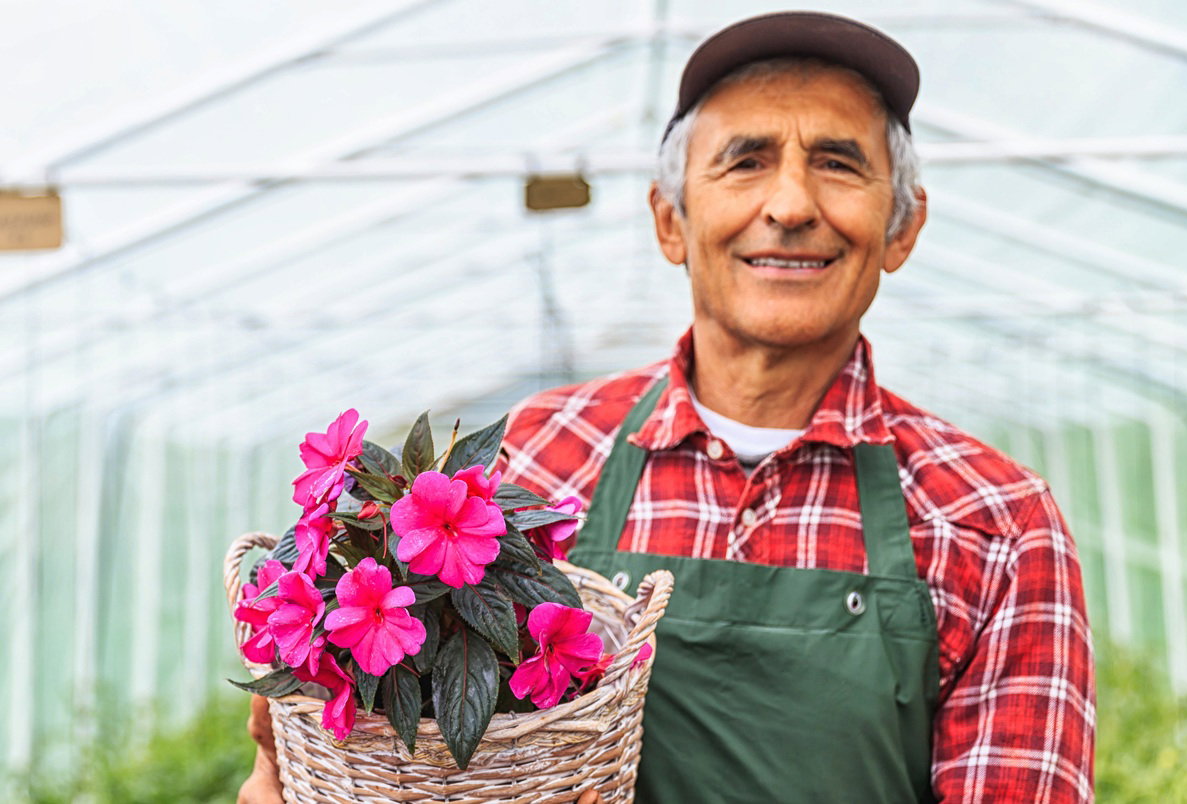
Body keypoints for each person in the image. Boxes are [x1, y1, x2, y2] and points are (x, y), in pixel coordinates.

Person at [242, 11, 1094, 803]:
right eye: (746, 160)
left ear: (901, 227)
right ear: (670, 222)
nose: (792, 205)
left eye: (838, 162)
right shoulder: (535, 462)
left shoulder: (997, 524)